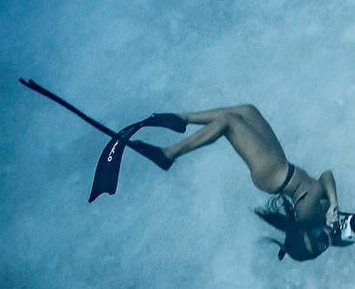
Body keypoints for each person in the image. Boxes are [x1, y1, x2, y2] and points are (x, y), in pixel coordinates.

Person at [139, 104, 341, 260]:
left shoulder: (309, 214)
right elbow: (326, 175)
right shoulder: (324, 215)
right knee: (248, 111)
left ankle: (169, 154)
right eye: (322, 239)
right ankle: (183, 119)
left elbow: (324, 179)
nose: (324, 236)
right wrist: (333, 203)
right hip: (282, 166)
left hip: (272, 172)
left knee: (228, 122)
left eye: (320, 241)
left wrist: (330, 206)